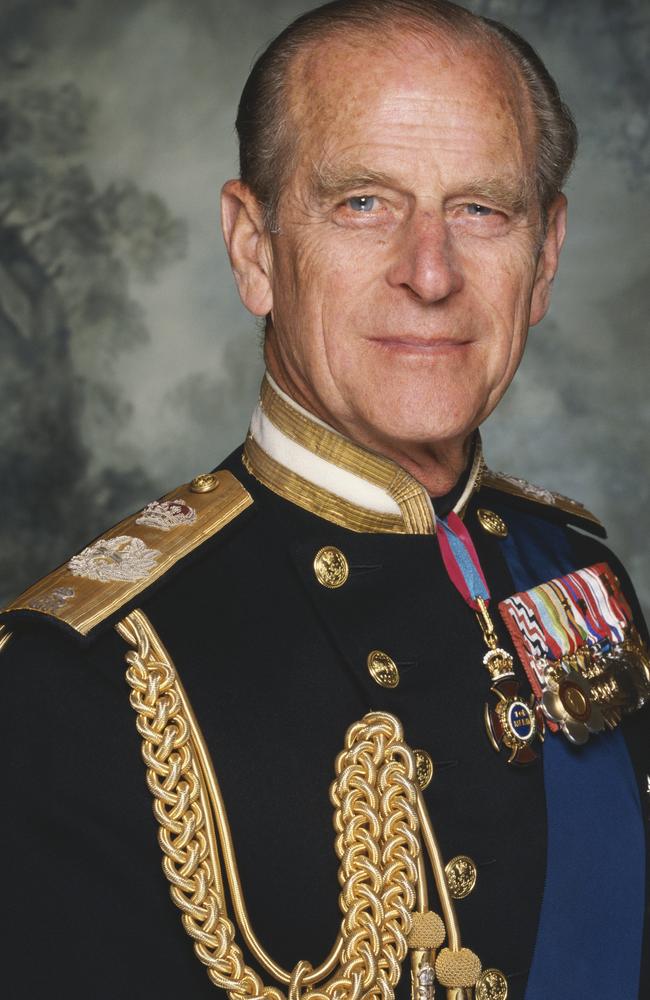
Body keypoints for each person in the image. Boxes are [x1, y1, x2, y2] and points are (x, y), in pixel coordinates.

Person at [2, 2, 648, 999]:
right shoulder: (74, 685)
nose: (428, 272)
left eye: (481, 209)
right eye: (361, 204)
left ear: (545, 256)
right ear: (254, 247)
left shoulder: (573, 575)